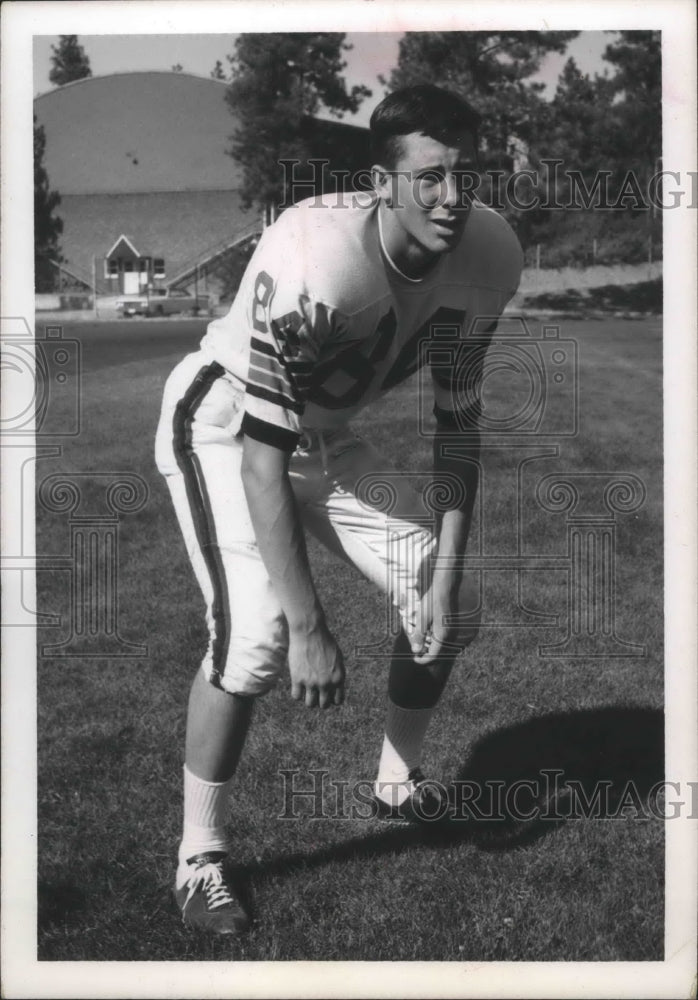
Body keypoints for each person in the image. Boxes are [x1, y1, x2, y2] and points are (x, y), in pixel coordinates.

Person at [155, 83, 523, 935]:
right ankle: (198, 855)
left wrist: (446, 574)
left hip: (325, 437)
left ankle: (397, 779)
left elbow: (458, 425)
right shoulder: (316, 258)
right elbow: (259, 460)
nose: (453, 198)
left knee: (450, 602)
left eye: (465, 175)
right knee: (255, 639)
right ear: (383, 182)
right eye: (429, 177)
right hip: (223, 426)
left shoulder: (490, 251)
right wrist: (312, 625)